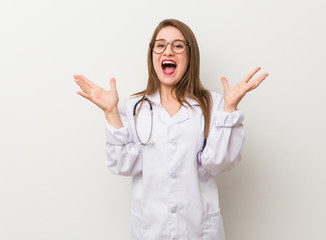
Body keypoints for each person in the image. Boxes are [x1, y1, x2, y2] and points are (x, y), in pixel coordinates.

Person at [74, 19, 268, 240]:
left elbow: (218, 164)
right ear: (152, 55)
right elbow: (122, 165)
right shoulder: (134, 107)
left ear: (189, 55)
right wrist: (111, 112)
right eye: (160, 45)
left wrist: (229, 108)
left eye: (177, 46)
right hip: (150, 229)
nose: (168, 51)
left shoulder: (213, 104)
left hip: (198, 230)